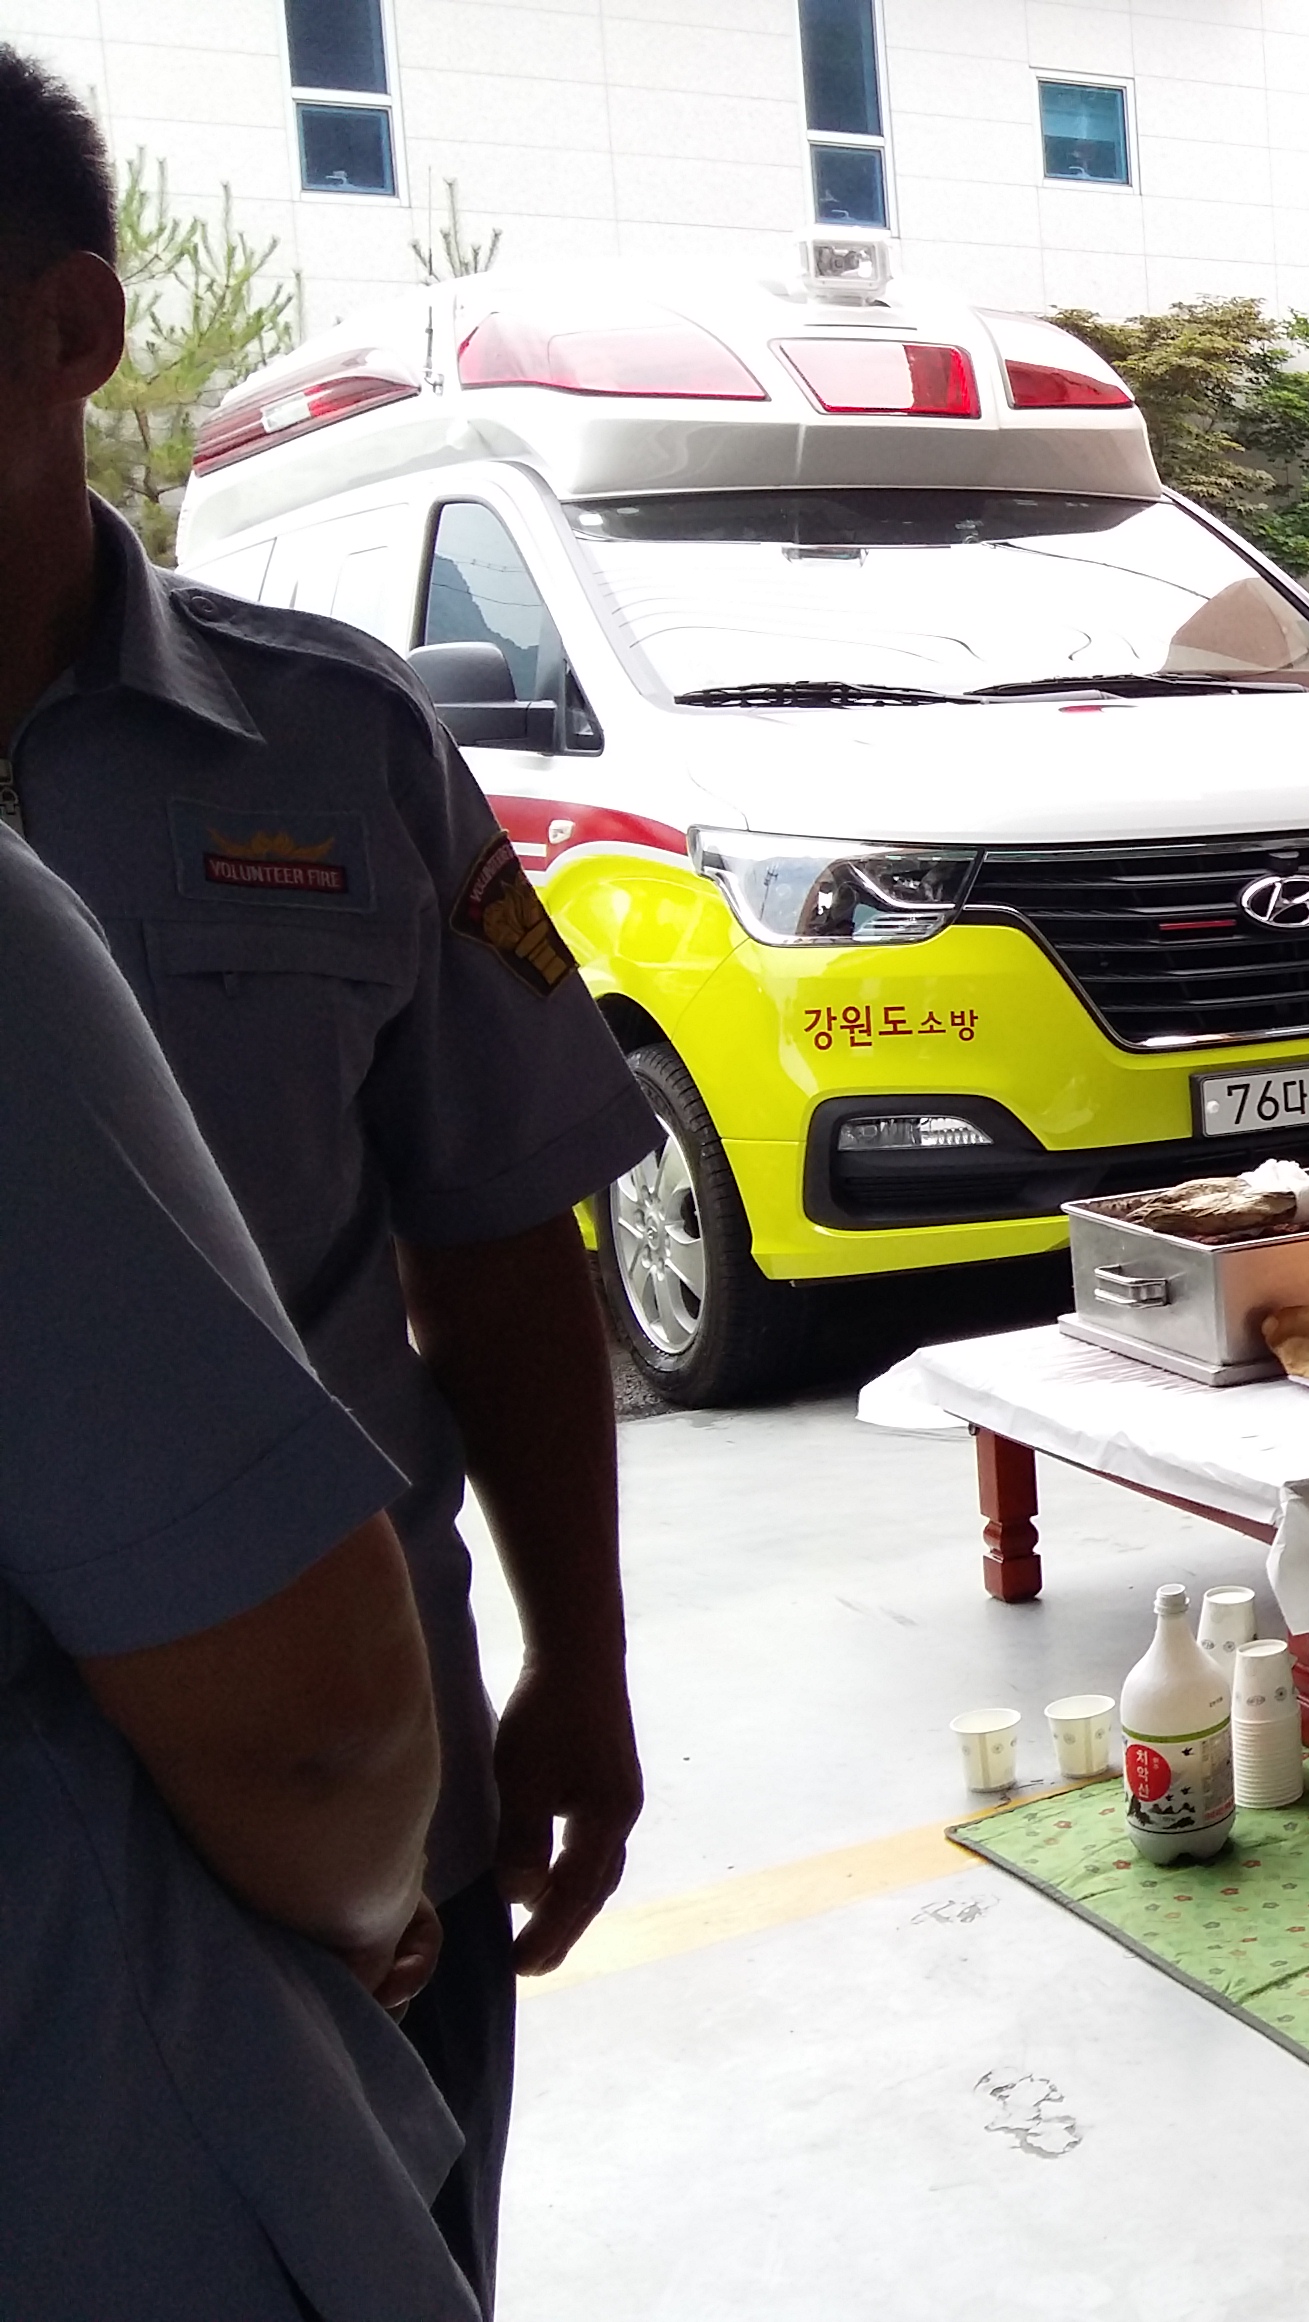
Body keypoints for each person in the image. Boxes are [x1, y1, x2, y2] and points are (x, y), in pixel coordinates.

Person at [0, 59, 660, 2303]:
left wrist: (580, 1666)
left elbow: (501, 1247)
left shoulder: (332, 740)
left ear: (69, 328)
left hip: (368, 1809)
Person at [0, 817, 477, 2320]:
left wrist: (575, 1664)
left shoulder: (345, 738)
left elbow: (498, 1204)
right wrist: (366, 1902)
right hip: (121, 2129)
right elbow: (314, 1734)